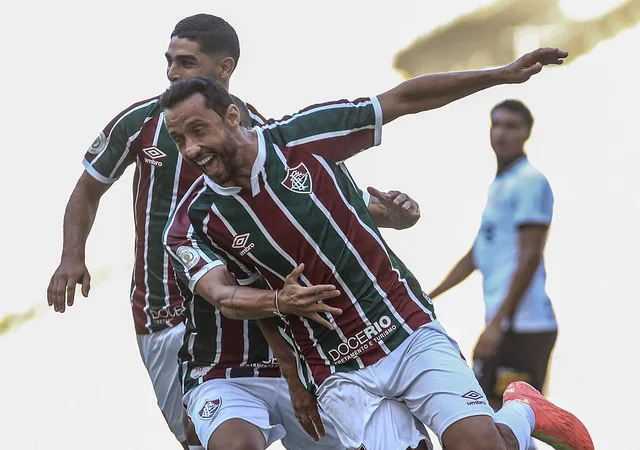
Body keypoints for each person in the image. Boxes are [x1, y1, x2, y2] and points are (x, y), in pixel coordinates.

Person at [162, 47, 594, 450]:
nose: (192, 149)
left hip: (403, 328)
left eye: (199, 130)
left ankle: (522, 410)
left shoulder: (301, 138)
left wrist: (499, 75)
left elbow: (402, 98)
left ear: (232, 116)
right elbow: (225, 296)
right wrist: (288, 346)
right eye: (180, 140)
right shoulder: (193, 220)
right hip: (335, 368)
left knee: (479, 444)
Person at [46, 13, 426, 450]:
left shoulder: (258, 133)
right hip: (166, 315)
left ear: (223, 69)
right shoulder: (140, 121)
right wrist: (71, 256)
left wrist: (387, 216)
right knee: (201, 439)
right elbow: (88, 187)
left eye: (186, 62)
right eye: (169, 61)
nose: (172, 72)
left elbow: (317, 203)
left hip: (262, 310)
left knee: (332, 436)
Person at [428, 100, 558, 418]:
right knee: (487, 413)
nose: (501, 133)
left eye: (511, 126)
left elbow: (529, 257)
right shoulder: (500, 184)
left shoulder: (529, 181)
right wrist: (427, 296)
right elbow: (476, 253)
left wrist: (497, 325)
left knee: (508, 418)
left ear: (527, 132)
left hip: (524, 328)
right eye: (496, 124)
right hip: (504, 325)